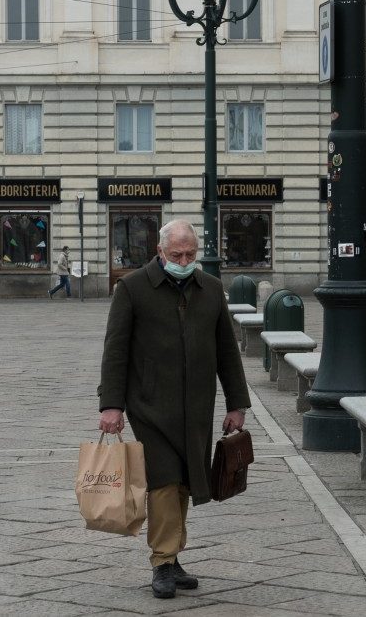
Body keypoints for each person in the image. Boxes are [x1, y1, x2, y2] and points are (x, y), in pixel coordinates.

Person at [96, 219, 249, 599]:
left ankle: (174, 555)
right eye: (177, 254)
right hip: (150, 404)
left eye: (191, 254)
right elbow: (115, 350)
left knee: (185, 477)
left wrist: (237, 402)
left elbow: (227, 351)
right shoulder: (132, 288)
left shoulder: (211, 289)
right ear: (160, 252)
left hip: (197, 404)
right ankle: (162, 561)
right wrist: (112, 405)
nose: (184, 260)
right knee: (164, 480)